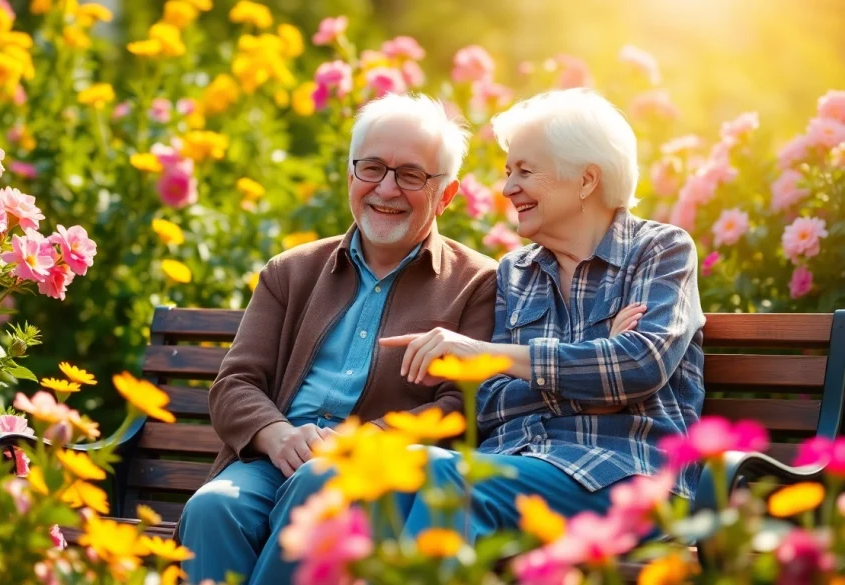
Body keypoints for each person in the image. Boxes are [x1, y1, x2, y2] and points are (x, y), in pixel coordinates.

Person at [253, 87, 706, 583]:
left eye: (524, 171)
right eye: (509, 171)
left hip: (621, 474)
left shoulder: (659, 250)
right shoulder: (516, 272)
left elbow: (638, 366)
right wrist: (595, 378)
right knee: (331, 474)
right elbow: (490, 401)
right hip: (511, 467)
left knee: (446, 478)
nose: (508, 187)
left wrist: (504, 358)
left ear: (586, 180)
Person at [177, 92, 500, 584]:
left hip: (378, 477)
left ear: (447, 195)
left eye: (411, 175)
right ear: (350, 175)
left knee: (322, 481)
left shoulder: (477, 283)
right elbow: (236, 383)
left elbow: (462, 404)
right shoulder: (291, 272)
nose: (386, 189)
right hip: (277, 457)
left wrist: (359, 444)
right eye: (371, 168)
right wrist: (279, 434)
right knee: (212, 508)